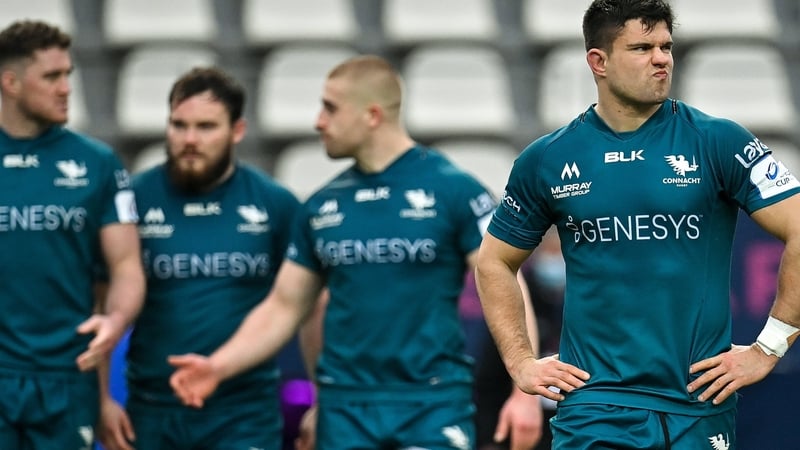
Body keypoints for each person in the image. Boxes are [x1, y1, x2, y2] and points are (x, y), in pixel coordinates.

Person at [168, 54, 544, 450]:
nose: (318, 122)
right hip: (343, 410)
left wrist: (524, 393)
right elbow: (284, 307)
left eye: (330, 108)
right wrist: (217, 367)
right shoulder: (321, 206)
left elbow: (503, 279)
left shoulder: (454, 191)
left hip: (431, 405)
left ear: (372, 115)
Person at [474, 0, 800, 448]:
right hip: (595, 408)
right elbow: (493, 262)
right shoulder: (548, 159)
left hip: (699, 405)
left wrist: (770, 347)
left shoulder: (718, 141)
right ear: (599, 61)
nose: (661, 58)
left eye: (666, 46)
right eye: (642, 48)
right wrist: (521, 363)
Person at [96, 67, 301, 450]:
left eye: (206, 127)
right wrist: (102, 397)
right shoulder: (131, 201)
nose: (190, 139)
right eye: (179, 125)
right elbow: (99, 302)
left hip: (244, 414)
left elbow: (307, 303)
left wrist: (320, 398)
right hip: (152, 411)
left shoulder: (275, 204)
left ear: (237, 130)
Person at [0, 20, 145, 449]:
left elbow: (126, 266)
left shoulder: (98, 164)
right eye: (51, 77)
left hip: (67, 376)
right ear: (10, 82)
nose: (66, 88)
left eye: (68, 75)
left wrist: (116, 321)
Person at [475, 227, 564, 450]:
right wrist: (489, 440)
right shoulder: (519, 299)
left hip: (571, 428)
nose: (553, 258)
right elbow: (489, 382)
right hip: (517, 431)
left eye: (558, 252)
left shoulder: (582, 303)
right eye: (550, 250)